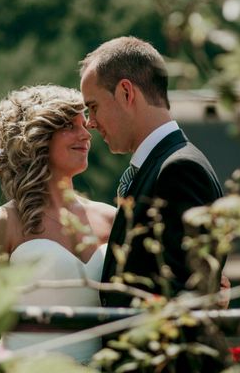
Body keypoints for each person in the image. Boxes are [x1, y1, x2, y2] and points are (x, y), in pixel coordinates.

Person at [0, 85, 115, 364]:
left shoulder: (112, 218)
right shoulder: (2, 224)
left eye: (84, 124)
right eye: (70, 126)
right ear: (37, 138)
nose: (85, 134)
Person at [79, 36, 225, 308]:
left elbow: (181, 299)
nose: (90, 123)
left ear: (126, 93)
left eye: (93, 106)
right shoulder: (162, 165)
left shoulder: (179, 170)